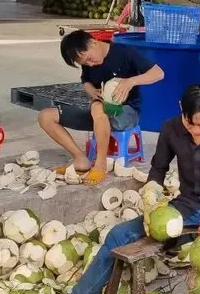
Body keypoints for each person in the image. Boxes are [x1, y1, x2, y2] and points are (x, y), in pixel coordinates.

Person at [51, 85, 200, 294]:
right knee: (118, 234)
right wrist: (151, 195)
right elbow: (158, 168)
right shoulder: (171, 129)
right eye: (190, 124)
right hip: (185, 208)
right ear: (181, 110)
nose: (197, 132)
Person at [38, 30, 164, 185]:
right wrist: (90, 89)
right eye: (85, 64)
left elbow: (158, 73)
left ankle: (101, 163)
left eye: (89, 59)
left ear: (94, 43)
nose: (90, 64)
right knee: (46, 116)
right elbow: (85, 79)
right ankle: (80, 158)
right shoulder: (89, 63)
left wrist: (130, 82)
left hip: (126, 113)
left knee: (97, 107)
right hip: (99, 117)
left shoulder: (125, 52)